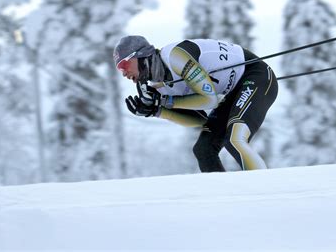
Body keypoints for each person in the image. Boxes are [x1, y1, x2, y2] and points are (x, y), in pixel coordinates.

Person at [113, 35, 278, 172]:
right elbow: (200, 119)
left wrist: (164, 101)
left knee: (235, 139)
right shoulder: (159, 86)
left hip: (255, 75)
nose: (124, 73)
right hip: (232, 93)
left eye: (124, 65)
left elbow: (209, 100)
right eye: (120, 70)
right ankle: (224, 199)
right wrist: (157, 110)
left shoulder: (174, 56)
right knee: (204, 150)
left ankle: (266, 190)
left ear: (142, 55)